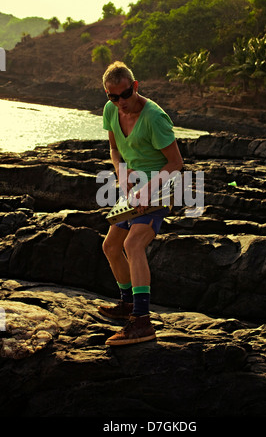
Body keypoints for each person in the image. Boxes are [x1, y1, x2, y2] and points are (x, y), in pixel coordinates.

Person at [98, 61, 183, 346]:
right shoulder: (111, 110)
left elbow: (176, 163)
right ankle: (127, 305)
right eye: (112, 96)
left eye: (124, 95)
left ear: (134, 87)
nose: (119, 102)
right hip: (133, 188)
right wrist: (121, 173)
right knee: (110, 246)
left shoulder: (155, 118)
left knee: (132, 244)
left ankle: (142, 320)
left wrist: (147, 190)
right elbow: (113, 147)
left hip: (161, 189)